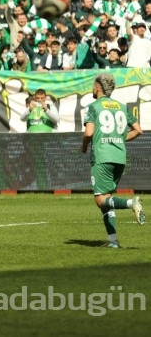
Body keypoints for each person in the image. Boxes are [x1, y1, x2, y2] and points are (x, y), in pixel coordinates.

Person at [81, 74, 144, 249]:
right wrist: (119, 139)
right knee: (107, 199)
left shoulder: (93, 107)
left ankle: (131, 203)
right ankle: (113, 240)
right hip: (119, 157)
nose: (92, 88)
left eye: (93, 85)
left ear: (98, 87)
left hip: (102, 156)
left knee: (100, 200)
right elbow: (138, 130)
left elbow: (88, 132)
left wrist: (84, 145)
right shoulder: (121, 107)